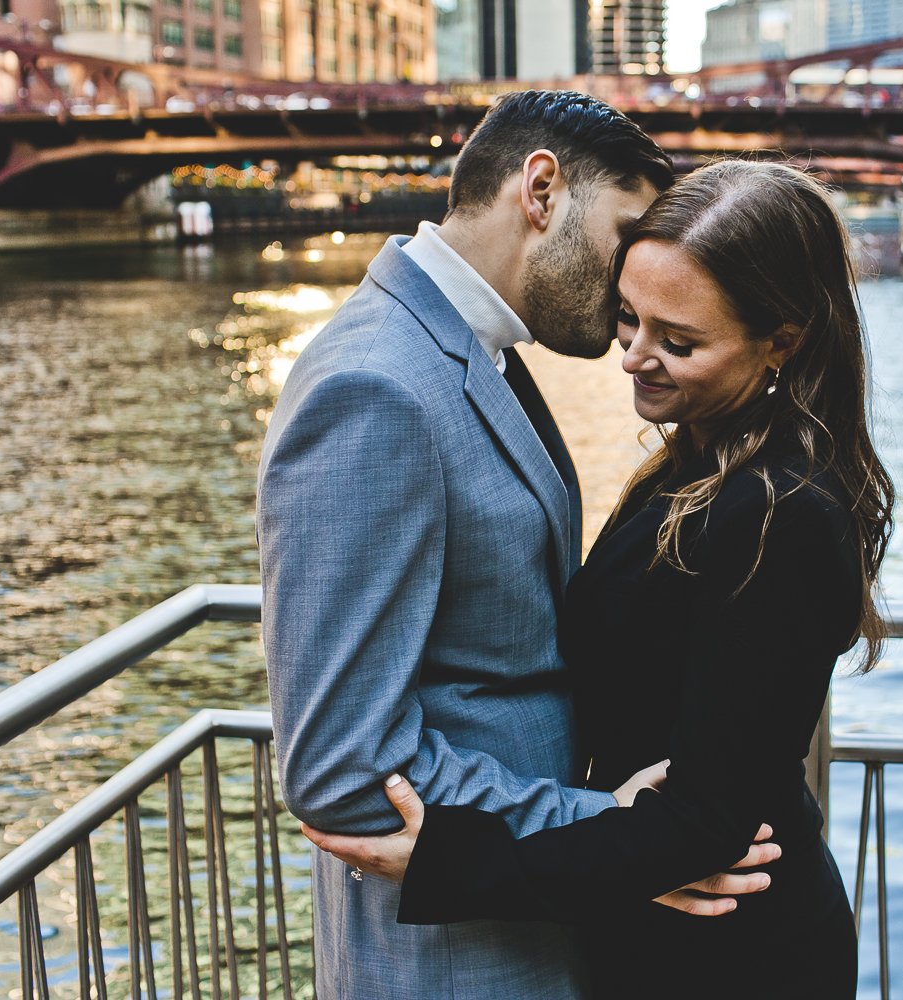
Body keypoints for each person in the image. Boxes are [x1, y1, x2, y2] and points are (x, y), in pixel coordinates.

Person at [304, 159, 897, 997]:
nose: (636, 358)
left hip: (733, 953)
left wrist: (449, 862)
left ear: (782, 342)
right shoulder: (698, 460)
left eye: (679, 341)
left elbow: (703, 822)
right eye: (630, 320)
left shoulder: (782, 513)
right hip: (658, 926)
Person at [258, 92, 773, 1000]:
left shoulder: (470, 353)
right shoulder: (378, 387)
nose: (630, 284)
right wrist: (603, 828)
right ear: (541, 190)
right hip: (455, 958)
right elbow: (340, 764)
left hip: (520, 927)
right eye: (623, 235)